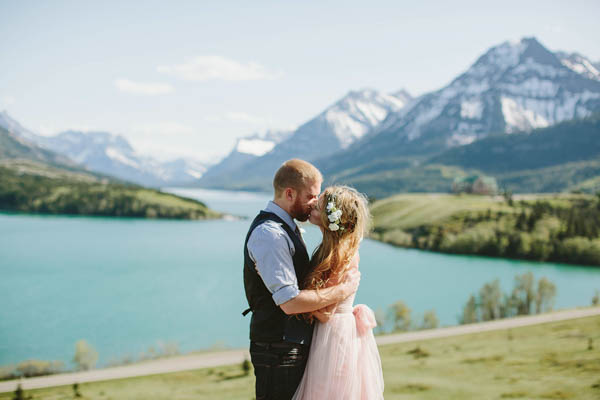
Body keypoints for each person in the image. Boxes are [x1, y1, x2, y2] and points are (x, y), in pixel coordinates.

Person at [243, 159, 361, 400]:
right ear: (289, 193)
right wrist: (344, 290)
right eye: (311, 196)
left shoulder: (285, 229)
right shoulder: (271, 235)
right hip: (278, 348)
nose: (315, 203)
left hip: (289, 346)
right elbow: (290, 302)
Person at [292, 185, 385, 400]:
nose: (313, 203)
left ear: (332, 218)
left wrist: (293, 299)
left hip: (333, 336)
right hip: (330, 331)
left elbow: (325, 313)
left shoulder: (341, 255)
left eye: (320, 204)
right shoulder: (330, 249)